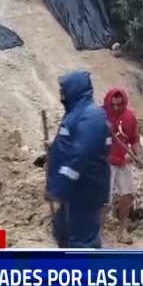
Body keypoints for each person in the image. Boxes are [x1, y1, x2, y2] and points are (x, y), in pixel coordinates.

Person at [46, 70, 112, 250]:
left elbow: (81, 154)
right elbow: (69, 146)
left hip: (85, 190)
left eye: (63, 89)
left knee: (82, 241)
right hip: (75, 191)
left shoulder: (91, 115)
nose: (61, 94)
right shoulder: (78, 113)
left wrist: (59, 186)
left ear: (74, 89)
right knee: (63, 231)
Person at [102, 87, 143, 245]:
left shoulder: (129, 116)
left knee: (128, 195)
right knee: (103, 201)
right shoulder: (100, 116)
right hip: (103, 163)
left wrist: (139, 156)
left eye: (120, 104)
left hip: (120, 161)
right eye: (113, 105)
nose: (116, 108)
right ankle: (98, 234)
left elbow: (134, 139)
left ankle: (122, 231)